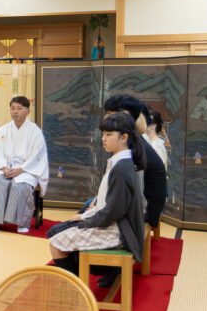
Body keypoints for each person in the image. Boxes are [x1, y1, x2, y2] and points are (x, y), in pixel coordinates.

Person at [48, 112, 146, 288]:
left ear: (124, 138)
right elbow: (108, 204)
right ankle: (84, 279)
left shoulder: (122, 167)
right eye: (103, 134)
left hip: (118, 231)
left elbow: (114, 211)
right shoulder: (120, 161)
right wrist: (86, 217)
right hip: (114, 224)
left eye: (109, 134)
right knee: (59, 230)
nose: (104, 138)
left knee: (55, 240)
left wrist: (86, 221)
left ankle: (76, 288)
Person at [0, 96, 49, 234]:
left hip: (27, 169)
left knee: (21, 185)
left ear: (28, 111)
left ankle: (21, 223)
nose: (15, 112)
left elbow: (37, 155)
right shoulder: (3, 130)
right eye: (12, 108)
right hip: (5, 168)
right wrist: (5, 168)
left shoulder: (35, 131)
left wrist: (21, 169)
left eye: (19, 108)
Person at [102, 95, 167, 228]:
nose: (105, 118)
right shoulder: (132, 140)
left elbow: (132, 199)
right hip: (134, 205)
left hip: (143, 212)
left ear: (126, 116)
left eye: (109, 114)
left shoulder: (133, 148)